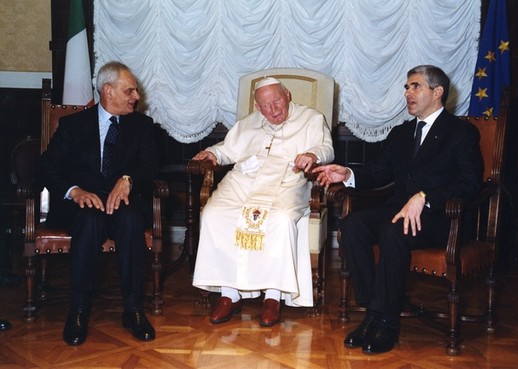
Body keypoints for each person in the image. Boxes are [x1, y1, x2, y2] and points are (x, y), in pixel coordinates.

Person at [313, 65, 484, 354]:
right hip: (399, 211)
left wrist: (425, 196)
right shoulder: (402, 133)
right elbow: (379, 173)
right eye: (406, 87)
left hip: (442, 219)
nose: (407, 92)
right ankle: (375, 311)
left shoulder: (461, 132)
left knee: (394, 230)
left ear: (437, 92)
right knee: (353, 225)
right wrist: (348, 175)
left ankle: (386, 322)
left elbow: (470, 184)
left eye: (415, 86)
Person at [192, 77, 334, 326]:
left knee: (279, 219)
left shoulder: (312, 118)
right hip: (244, 181)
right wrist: (212, 153)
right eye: (266, 106)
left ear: (287, 95)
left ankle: (273, 296)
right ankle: (229, 294)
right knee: (214, 214)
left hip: (287, 181)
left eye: (277, 101)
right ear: (258, 107)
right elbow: (228, 149)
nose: (273, 110)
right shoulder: (248, 123)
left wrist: (313, 154)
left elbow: (326, 149)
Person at [38, 61, 158, 346]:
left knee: (130, 220)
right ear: (108, 91)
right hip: (81, 205)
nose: (136, 96)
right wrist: (74, 190)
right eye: (130, 91)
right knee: (89, 220)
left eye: (136, 91)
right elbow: (46, 167)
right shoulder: (73, 125)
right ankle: (78, 311)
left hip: (122, 203)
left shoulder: (142, 126)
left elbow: (151, 167)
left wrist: (128, 179)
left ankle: (133, 310)